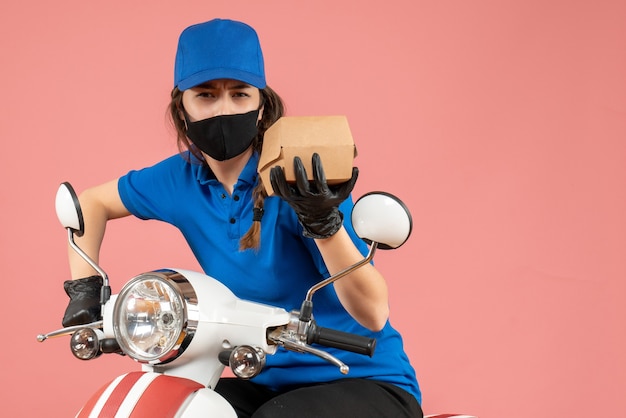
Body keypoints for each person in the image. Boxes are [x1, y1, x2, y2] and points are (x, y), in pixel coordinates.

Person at [61, 18, 423, 417]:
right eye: (205, 95)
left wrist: (324, 223)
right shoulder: (180, 179)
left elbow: (372, 314)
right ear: (181, 107)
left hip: (364, 380)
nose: (224, 109)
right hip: (263, 379)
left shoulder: (298, 180)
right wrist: (85, 287)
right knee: (173, 408)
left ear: (261, 104)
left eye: (239, 94)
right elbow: (90, 204)